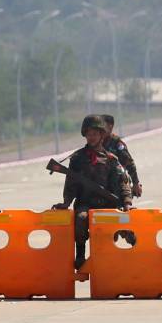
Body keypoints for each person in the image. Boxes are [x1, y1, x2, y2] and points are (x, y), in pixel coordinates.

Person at [52, 114, 133, 270]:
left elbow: (123, 181)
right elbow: (71, 183)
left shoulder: (111, 159)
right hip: (85, 203)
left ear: (101, 135)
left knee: (121, 223)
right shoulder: (77, 159)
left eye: (95, 134)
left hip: (108, 204)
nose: (92, 137)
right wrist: (66, 202)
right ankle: (80, 254)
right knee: (81, 219)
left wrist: (127, 202)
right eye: (89, 134)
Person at [101, 114, 142, 198]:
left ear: (110, 127)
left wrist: (135, 183)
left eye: (102, 126)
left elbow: (129, 163)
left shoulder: (116, 143)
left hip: (117, 184)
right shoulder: (95, 141)